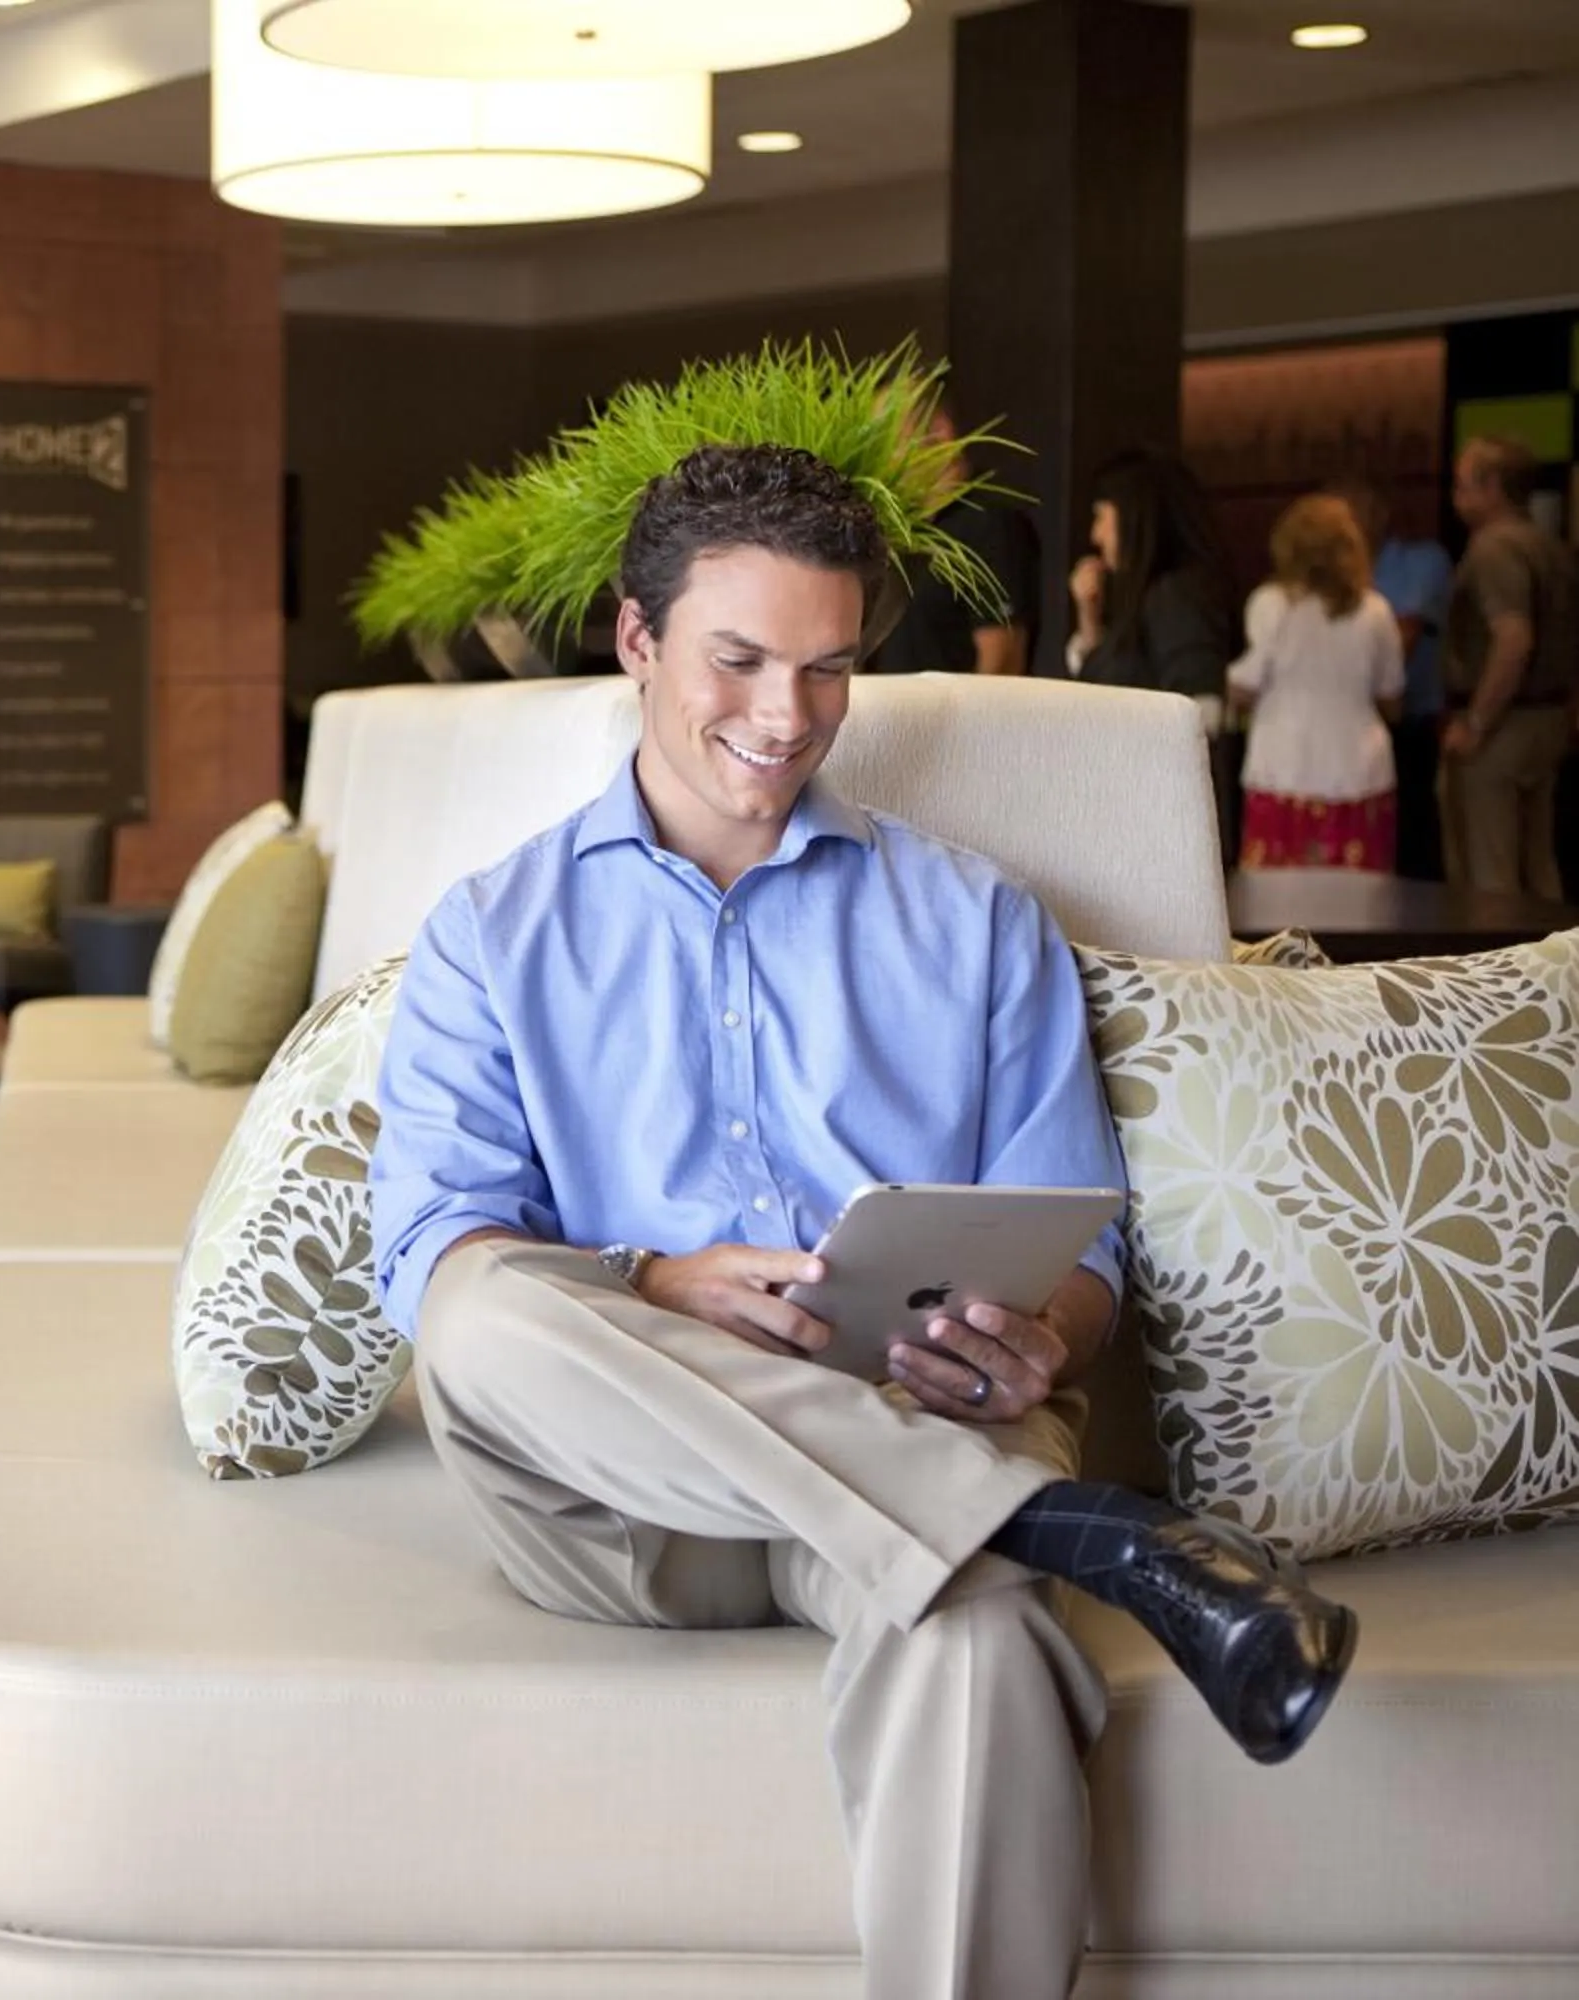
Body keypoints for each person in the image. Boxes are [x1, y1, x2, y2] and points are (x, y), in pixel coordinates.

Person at [372, 442, 1355, 2000]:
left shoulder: (976, 921)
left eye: (828, 669)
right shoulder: (495, 933)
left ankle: (1007, 1522)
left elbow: (1082, 1249)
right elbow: (433, 1240)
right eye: (740, 660)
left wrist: (1044, 1338)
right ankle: (1071, 1532)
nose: (783, 717)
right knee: (479, 1313)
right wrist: (651, 1281)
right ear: (637, 642)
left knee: (975, 1646)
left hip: (924, 1422)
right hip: (633, 1500)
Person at [1227, 492, 1405, 872]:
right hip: (1360, 769)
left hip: (1283, 767)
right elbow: (1392, 697)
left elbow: (1245, 685)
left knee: (1275, 905)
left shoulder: (1271, 604)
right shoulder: (1377, 611)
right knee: (1361, 904)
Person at [1438, 434, 1579, 898]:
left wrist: (1476, 723)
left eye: (1462, 485)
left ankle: (1495, 966)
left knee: (1489, 871)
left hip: (1502, 724)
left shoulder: (1494, 550)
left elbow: (1513, 638)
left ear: (1492, 486)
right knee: (1539, 863)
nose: (1455, 497)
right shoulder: (1552, 547)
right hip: (1549, 719)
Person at [1331, 475, 1453, 879]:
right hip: (1349, 733)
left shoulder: (1424, 561)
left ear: (1381, 515)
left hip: (1412, 721)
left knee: (1415, 842)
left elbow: (1404, 640)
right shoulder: (1328, 580)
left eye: (1353, 513)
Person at [867, 403, 1039, 675]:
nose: (877, 461)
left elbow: (1003, 659)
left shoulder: (990, 523)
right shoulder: (902, 531)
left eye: (885, 442)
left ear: (938, 432)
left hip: (958, 717)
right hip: (901, 716)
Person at [1067, 447, 1237, 720]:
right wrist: (1090, 616)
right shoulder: (1150, 600)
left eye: (1100, 516)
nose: (1095, 535)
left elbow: (1201, 709)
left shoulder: (1177, 597)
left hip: (1149, 761)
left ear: (1134, 516)